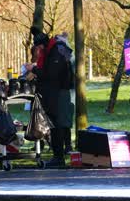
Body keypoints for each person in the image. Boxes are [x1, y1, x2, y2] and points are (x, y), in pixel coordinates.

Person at [28, 28, 75, 168]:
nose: (40, 49)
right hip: (55, 92)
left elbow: (51, 75)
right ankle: (57, 156)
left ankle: (59, 157)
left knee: (57, 125)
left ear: (43, 44)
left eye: (40, 46)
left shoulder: (55, 52)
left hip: (59, 93)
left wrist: (33, 69)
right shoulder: (53, 50)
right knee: (55, 125)